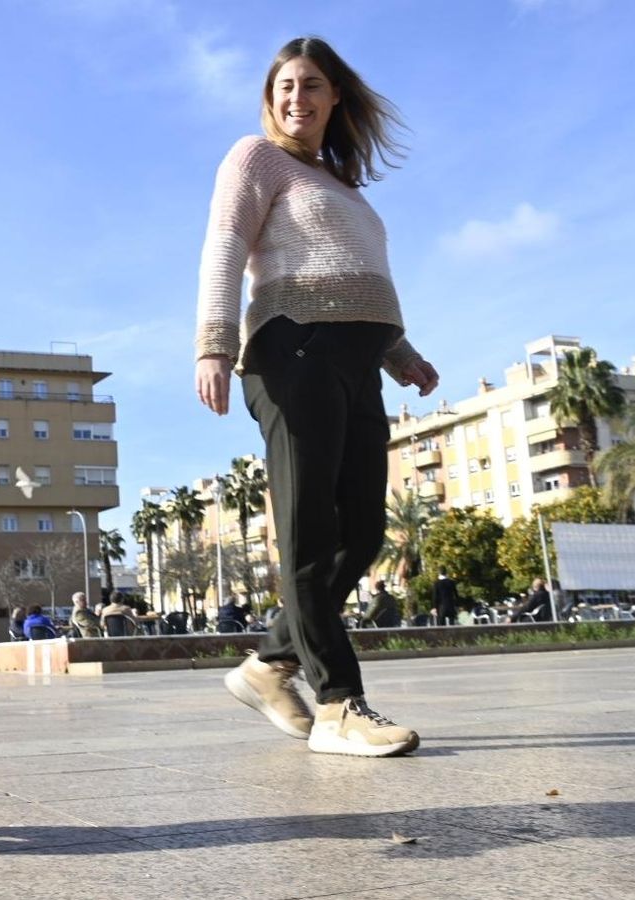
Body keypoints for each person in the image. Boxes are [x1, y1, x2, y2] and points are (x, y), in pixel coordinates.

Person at [200, 37, 436, 758]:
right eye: (284, 87)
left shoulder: (342, 184)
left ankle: (269, 663)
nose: (296, 99)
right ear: (270, 100)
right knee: (307, 535)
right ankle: (338, 706)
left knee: (363, 530)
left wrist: (400, 354)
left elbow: (351, 277)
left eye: (311, 86)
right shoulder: (255, 157)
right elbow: (224, 247)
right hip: (289, 351)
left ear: (335, 97)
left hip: (356, 362)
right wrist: (212, 342)